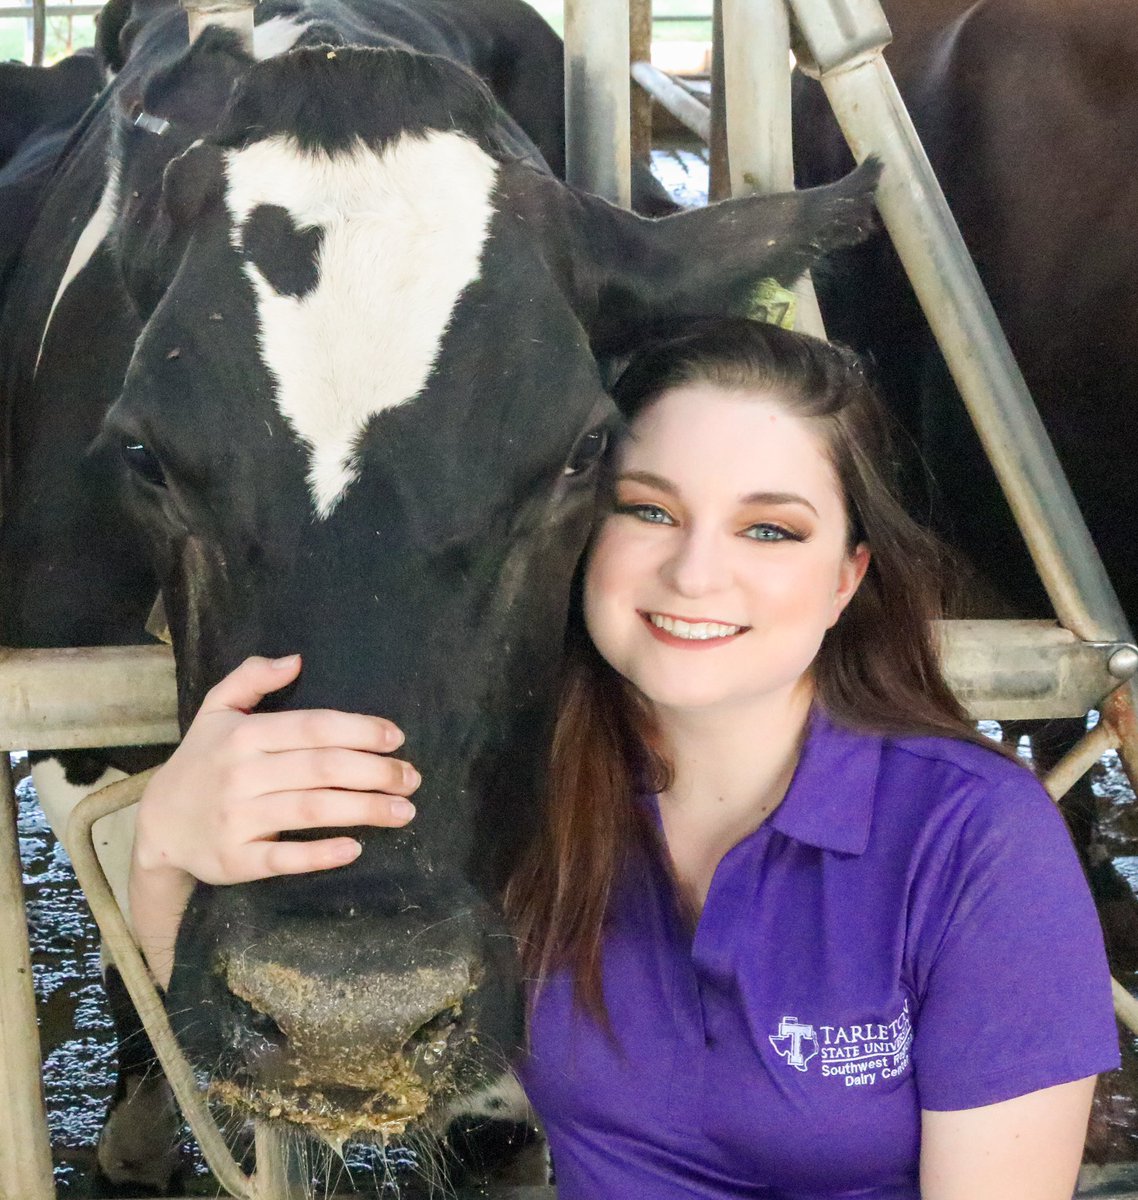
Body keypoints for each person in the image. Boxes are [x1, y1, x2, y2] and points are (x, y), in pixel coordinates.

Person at [129, 319, 1119, 1199]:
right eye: (647, 509)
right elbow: (297, 1047)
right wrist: (169, 847)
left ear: (845, 577)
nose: (694, 571)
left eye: (768, 529)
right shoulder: (525, 789)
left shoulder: (973, 840)